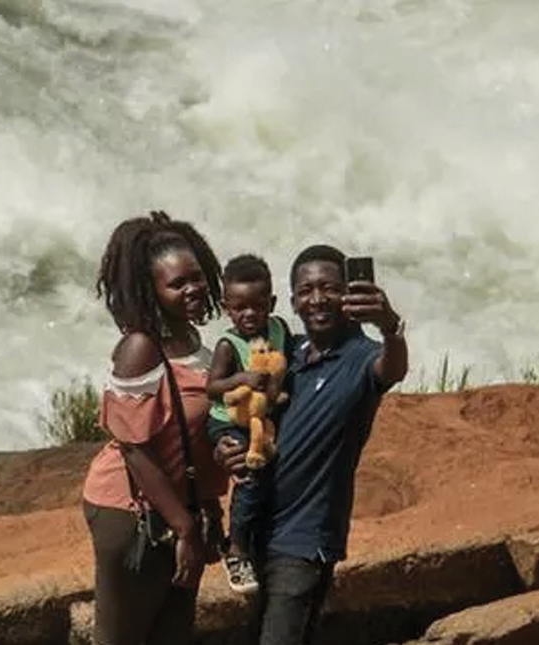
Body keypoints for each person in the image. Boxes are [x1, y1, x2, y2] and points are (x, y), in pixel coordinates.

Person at [214, 244, 409, 645]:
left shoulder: (362, 357)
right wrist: (223, 447)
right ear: (290, 302)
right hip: (257, 530)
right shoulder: (286, 351)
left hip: (305, 539)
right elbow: (235, 407)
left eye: (329, 288)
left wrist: (390, 326)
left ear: (348, 294)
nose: (317, 299)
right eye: (306, 291)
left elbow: (393, 368)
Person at [81, 210, 230, 645]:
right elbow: (134, 450)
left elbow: (193, 440)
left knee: (172, 633)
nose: (194, 289)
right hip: (131, 512)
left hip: (179, 508)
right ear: (152, 291)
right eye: (177, 284)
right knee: (122, 637)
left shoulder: (194, 344)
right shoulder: (140, 349)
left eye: (197, 277)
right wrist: (185, 528)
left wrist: (207, 510)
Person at [203, 253, 295, 594]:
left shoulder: (279, 328)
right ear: (227, 307)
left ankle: (267, 537)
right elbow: (211, 388)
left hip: (263, 415)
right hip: (227, 421)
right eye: (240, 308)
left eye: (257, 306)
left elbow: (289, 363)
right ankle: (236, 550)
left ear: (271, 302)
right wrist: (240, 377)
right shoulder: (228, 345)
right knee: (250, 475)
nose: (249, 314)